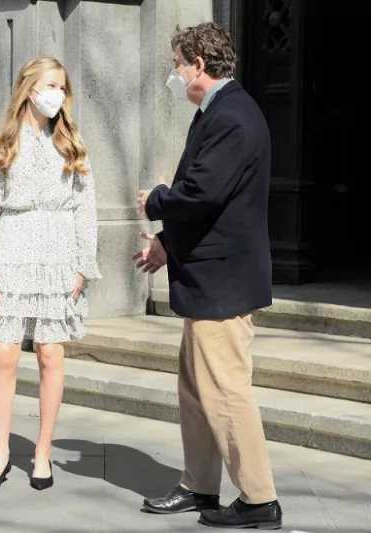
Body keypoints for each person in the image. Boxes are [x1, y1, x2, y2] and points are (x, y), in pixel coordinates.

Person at [134, 23, 282, 530]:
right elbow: (212, 205)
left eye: (178, 63)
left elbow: (201, 193)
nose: (175, 73)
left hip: (224, 281)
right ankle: (199, 485)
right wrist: (166, 245)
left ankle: (259, 499)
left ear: (199, 65)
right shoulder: (216, 112)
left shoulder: (233, 116)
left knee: (224, 389)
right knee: (197, 389)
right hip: (208, 276)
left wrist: (154, 202)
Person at [0, 57, 101, 493]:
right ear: (29, 87)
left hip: (59, 253)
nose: (57, 95)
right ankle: (2, 452)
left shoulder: (72, 143)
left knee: (50, 353)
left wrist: (85, 263)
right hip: (12, 250)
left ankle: (42, 452)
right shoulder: (0, 145)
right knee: (4, 354)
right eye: (50, 85)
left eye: (62, 88)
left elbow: (87, 207)